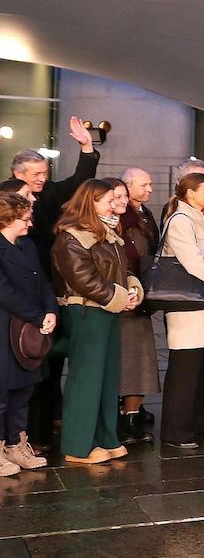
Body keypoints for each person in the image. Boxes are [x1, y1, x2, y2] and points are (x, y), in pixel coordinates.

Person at [11, 116, 99, 454]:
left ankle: (40, 433)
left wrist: (86, 147)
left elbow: (79, 182)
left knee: (48, 363)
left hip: (48, 285)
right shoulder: (6, 198)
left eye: (44, 173)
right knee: (23, 369)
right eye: (35, 175)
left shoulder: (46, 193)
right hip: (20, 294)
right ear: (17, 174)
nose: (41, 180)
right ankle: (19, 436)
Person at [51, 179, 143, 464]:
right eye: (109, 200)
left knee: (106, 378)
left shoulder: (106, 232)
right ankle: (78, 446)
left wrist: (132, 288)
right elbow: (83, 279)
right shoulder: (71, 237)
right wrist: (120, 297)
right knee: (86, 379)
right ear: (91, 202)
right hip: (85, 313)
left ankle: (105, 437)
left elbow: (121, 269)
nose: (115, 205)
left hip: (107, 311)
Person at [160, 173, 204, 449]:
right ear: (190, 194)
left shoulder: (202, 216)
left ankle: (199, 422)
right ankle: (175, 430)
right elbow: (194, 262)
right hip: (189, 306)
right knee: (186, 371)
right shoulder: (180, 220)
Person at [0, 193, 56, 474]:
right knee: (1, 393)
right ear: (6, 219)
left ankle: (16, 445)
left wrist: (51, 311)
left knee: (24, 390)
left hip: (28, 329)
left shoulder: (28, 245)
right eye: (24, 219)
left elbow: (44, 281)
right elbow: (3, 291)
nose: (30, 224)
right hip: (5, 328)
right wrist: (37, 315)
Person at [102, 176, 158, 444]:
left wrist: (138, 290)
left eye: (125, 196)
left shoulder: (141, 218)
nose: (123, 201)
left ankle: (131, 418)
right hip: (110, 301)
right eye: (117, 196)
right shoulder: (99, 227)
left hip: (137, 297)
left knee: (139, 361)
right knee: (116, 363)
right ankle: (112, 419)